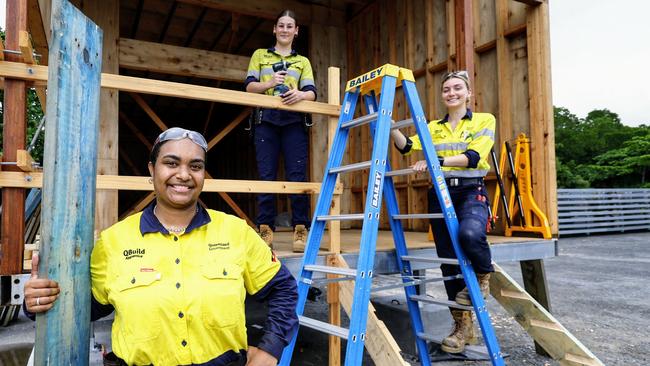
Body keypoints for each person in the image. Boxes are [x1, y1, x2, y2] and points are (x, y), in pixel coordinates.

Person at [24, 127, 299, 366]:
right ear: (151, 170)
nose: (184, 174)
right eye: (171, 163)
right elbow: (86, 308)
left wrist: (270, 349)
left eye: (195, 166)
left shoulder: (236, 231)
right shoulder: (113, 242)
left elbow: (283, 289)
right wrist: (40, 299)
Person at [390, 71, 495, 354]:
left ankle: (485, 275)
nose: (451, 93)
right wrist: (391, 126)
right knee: (449, 263)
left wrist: (436, 160)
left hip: (470, 189)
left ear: (468, 93)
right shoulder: (432, 127)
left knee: (470, 234)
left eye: (457, 88)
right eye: (446, 89)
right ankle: (462, 327)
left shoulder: (485, 120)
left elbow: (474, 157)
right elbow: (407, 147)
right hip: (440, 192)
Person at [244, 9, 317, 252]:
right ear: (274, 29)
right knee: (267, 175)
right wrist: (270, 83)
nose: (285, 29)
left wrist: (301, 94)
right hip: (266, 120)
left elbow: (312, 92)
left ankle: (300, 229)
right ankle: (265, 228)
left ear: (296, 31)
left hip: (294, 120)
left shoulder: (303, 61)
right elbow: (249, 87)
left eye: (290, 26)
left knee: (297, 175)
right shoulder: (260, 55)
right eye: (281, 25)